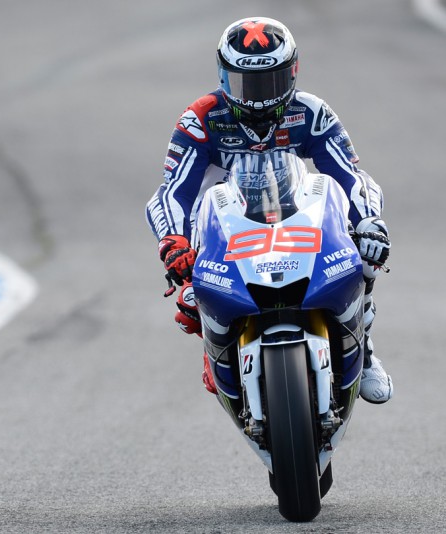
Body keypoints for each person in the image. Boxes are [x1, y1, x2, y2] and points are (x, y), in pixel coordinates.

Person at [144, 17, 393, 403]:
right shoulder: (201, 118)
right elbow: (171, 193)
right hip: (220, 229)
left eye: (270, 82)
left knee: (367, 254)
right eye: (247, 83)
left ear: (292, 72)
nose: (259, 97)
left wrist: (369, 221)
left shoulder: (312, 112)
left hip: (295, 215)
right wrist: (173, 242)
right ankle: (216, 348)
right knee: (189, 306)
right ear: (224, 75)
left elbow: (350, 176)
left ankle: (366, 345)